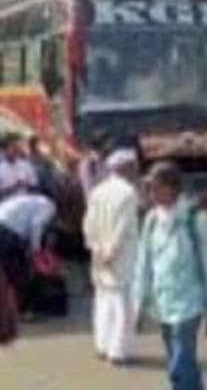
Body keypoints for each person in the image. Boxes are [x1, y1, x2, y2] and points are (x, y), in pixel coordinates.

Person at [133, 162, 207, 390]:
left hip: (189, 305)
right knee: (184, 363)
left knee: (178, 367)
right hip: (162, 304)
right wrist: (138, 306)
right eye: (149, 188)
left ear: (173, 188)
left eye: (156, 187)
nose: (151, 193)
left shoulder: (197, 220)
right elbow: (143, 264)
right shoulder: (152, 220)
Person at [82, 150, 142, 365]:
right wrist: (111, 252)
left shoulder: (98, 191)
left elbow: (88, 224)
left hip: (99, 253)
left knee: (102, 299)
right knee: (122, 303)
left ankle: (102, 345)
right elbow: (123, 227)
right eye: (133, 166)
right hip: (120, 254)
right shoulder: (129, 192)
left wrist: (96, 248)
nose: (136, 170)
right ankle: (118, 351)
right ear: (125, 168)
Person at [0, 192, 57, 312]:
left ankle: (0, 308)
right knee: (20, 270)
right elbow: (37, 224)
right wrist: (36, 250)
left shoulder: (28, 200)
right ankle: (21, 308)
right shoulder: (49, 206)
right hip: (4, 230)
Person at [0, 133, 39, 206]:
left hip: (25, 205)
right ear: (4, 149)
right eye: (13, 147)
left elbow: (34, 186)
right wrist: (13, 188)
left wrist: (26, 185)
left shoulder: (26, 166)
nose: (17, 150)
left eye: (18, 147)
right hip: (7, 208)